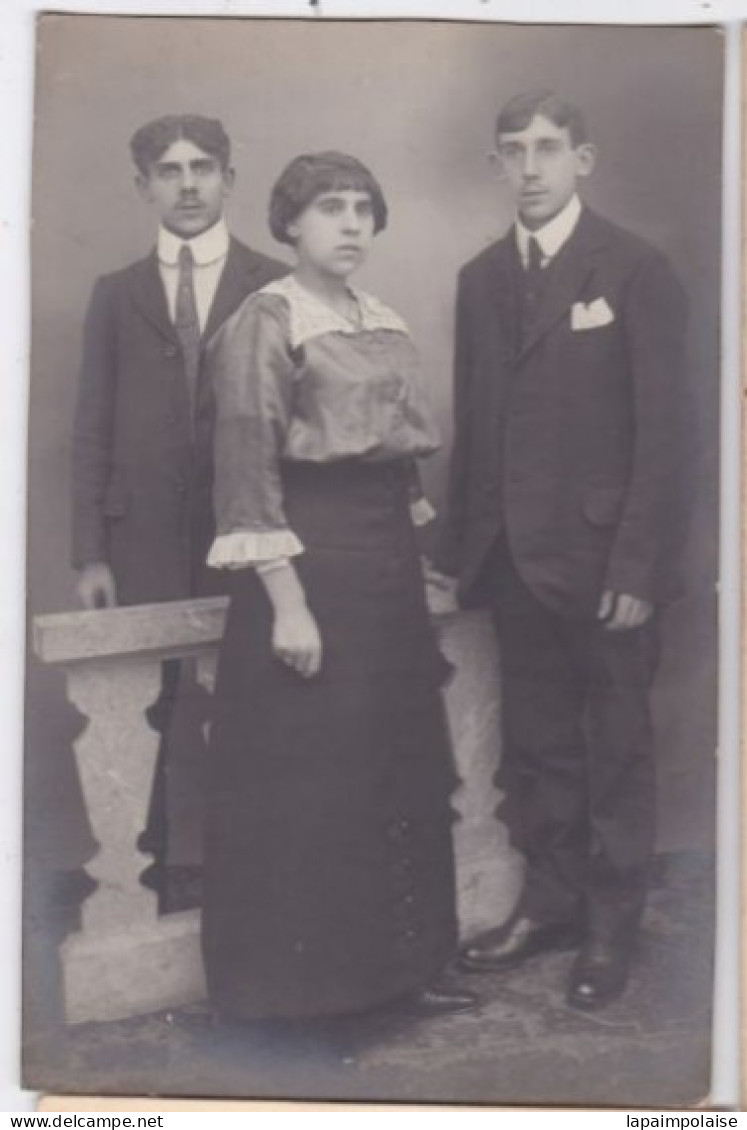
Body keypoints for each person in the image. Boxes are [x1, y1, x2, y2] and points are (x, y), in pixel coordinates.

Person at [201, 151, 475, 1022]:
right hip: (310, 569)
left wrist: (415, 558)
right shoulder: (266, 320)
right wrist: (287, 604)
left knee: (398, 765)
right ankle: (314, 997)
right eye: (329, 208)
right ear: (289, 223)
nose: (351, 223)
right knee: (318, 782)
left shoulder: (379, 320)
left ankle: (408, 969)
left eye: (362, 207)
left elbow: (395, 461)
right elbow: (246, 474)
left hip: (385, 569)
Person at [434, 91, 690, 1009]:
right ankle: (549, 904)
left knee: (614, 745)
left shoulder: (634, 269)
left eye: (548, 148)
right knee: (537, 747)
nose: (530, 166)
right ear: (495, 164)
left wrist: (635, 569)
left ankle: (610, 929)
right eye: (513, 149)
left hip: (601, 566)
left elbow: (666, 436)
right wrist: (465, 550)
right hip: (511, 559)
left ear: (584, 159)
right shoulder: (478, 278)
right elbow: (476, 423)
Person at [71, 115, 286, 908]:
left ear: (229, 178)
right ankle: (167, 873)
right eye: (169, 170)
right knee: (155, 702)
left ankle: (253, 868)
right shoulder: (117, 295)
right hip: (146, 539)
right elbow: (92, 425)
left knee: (248, 693)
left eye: (203, 168)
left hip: (244, 529)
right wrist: (91, 552)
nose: (188, 184)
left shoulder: (271, 282)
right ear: (144, 186)